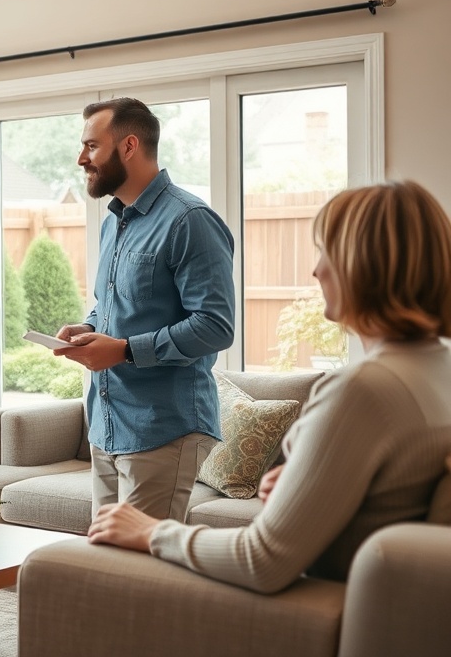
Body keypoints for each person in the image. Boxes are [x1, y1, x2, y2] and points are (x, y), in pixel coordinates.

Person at [88, 180, 451, 592]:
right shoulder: (436, 370)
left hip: (315, 608)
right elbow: (392, 503)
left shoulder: (364, 391)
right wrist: (309, 486)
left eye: (326, 252)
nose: (317, 270)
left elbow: (261, 560)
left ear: (366, 267)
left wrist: (152, 532)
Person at [53, 98, 235, 521]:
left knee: (144, 560)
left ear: (129, 146)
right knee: (106, 555)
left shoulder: (190, 220)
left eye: (92, 146)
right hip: (106, 424)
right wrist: (87, 329)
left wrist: (123, 350)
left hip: (162, 428)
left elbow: (215, 326)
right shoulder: (112, 224)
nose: (81, 159)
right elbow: (111, 306)